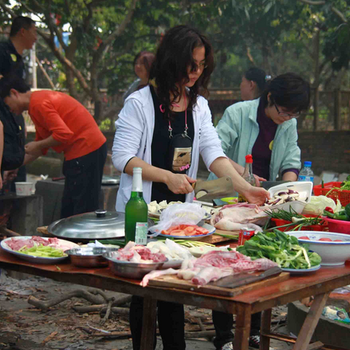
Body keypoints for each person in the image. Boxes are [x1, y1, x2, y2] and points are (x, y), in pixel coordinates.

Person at [112, 25, 269, 350]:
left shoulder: (197, 106)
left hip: (179, 219)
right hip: (142, 213)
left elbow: (214, 154)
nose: (197, 72)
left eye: (201, 65)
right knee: (144, 290)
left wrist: (245, 189)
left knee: (174, 290)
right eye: (192, 65)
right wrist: (166, 176)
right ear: (173, 60)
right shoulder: (139, 103)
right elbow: (122, 158)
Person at [211, 72, 310, 350]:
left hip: (265, 203)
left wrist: (287, 192)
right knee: (225, 267)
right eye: (283, 111)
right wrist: (246, 178)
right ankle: (224, 336)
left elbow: (291, 159)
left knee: (258, 266)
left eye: (293, 114)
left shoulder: (288, 123)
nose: (287, 117)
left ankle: (253, 329)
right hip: (229, 200)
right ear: (269, 97)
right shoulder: (238, 113)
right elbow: (213, 150)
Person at [0, 74, 107, 218]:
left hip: (86, 150)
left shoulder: (38, 103)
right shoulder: (35, 104)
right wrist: (16, 166)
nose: (9, 110)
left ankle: (82, 240)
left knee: (81, 209)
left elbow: (63, 134)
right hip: (81, 152)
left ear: (14, 93)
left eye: (7, 104)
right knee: (69, 207)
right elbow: (39, 149)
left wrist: (38, 144)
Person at [0, 16, 37, 190]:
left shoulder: (21, 61)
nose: (36, 38)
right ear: (23, 31)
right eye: (34, 32)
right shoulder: (2, 52)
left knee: (16, 166)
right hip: (3, 119)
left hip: (15, 120)